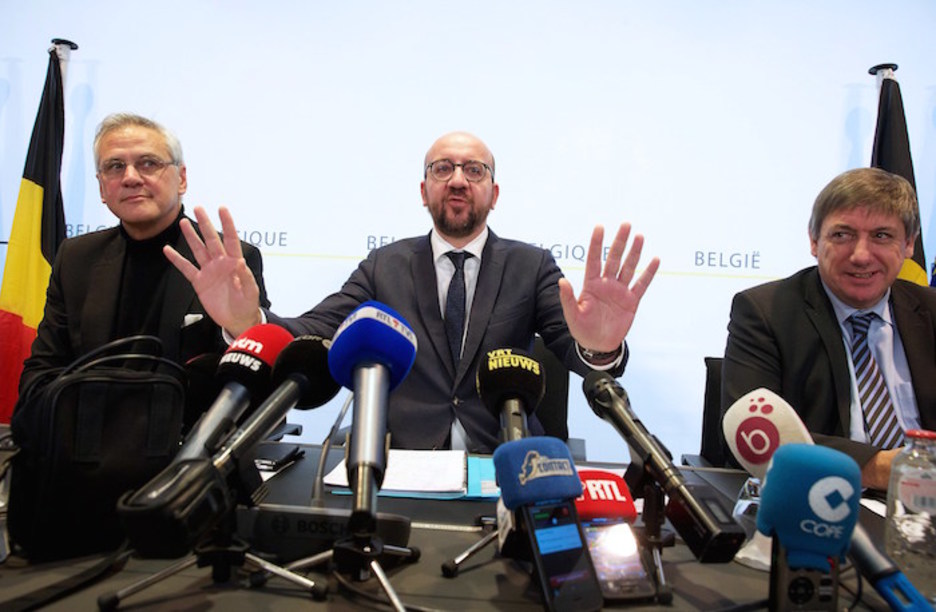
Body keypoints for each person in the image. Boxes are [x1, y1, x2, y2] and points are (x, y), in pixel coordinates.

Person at [167, 131, 659, 452]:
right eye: (442, 169)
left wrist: (599, 346)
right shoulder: (386, 264)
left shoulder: (531, 265)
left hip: (504, 456)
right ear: (424, 191)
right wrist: (247, 323)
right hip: (398, 457)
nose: (458, 180)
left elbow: (572, 347)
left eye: (474, 170)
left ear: (494, 193)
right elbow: (316, 329)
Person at [16, 113, 270, 413]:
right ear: (101, 187)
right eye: (115, 166)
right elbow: (41, 373)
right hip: (86, 433)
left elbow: (247, 385)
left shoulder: (227, 260)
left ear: (182, 179)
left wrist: (241, 327)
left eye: (148, 163)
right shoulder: (76, 258)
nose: (130, 177)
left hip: (186, 437)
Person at [722, 167, 936, 490]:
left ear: (908, 245)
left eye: (881, 236)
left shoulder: (931, 311)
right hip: (825, 499)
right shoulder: (765, 312)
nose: (861, 256)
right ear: (814, 240)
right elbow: (752, 436)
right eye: (842, 235)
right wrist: (883, 468)